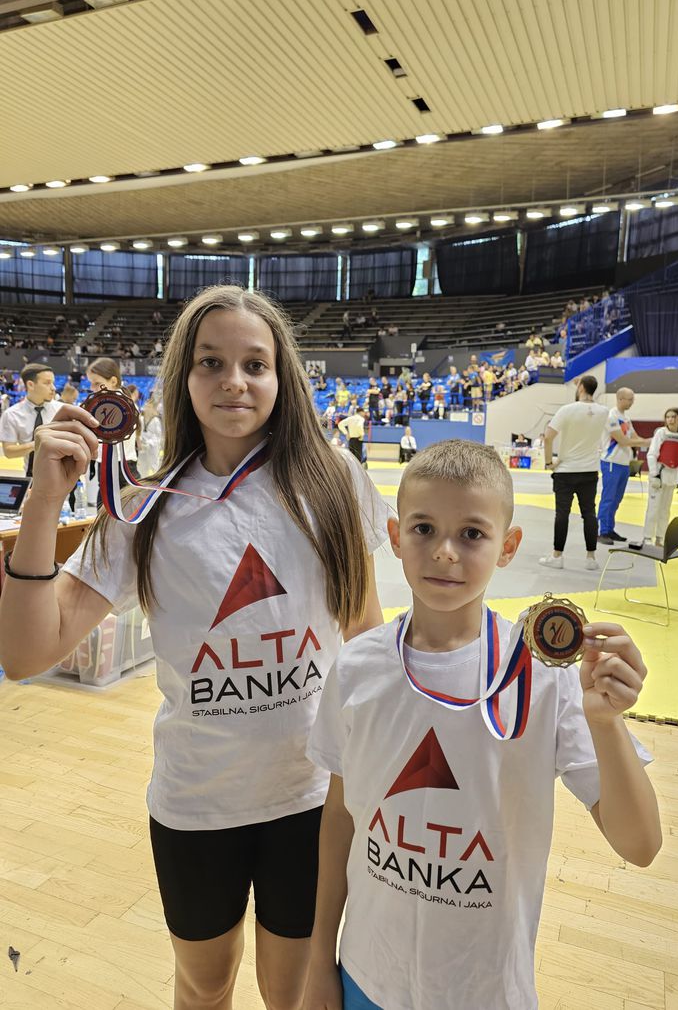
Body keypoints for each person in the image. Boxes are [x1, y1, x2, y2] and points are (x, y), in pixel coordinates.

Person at [0, 285, 389, 1010]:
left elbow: (367, 636)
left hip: (313, 799)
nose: (234, 381)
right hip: (196, 804)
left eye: (255, 363)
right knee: (204, 985)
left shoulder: (334, 481)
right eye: (211, 362)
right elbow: (25, 652)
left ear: (283, 377)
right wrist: (43, 503)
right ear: (183, 376)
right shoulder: (144, 509)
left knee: (294, 990)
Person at [303, 440, 660, 1010]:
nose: (445, 552)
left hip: (484, 988)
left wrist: (607, 724)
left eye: (472, 534)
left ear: (508, 546)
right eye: (423, 529)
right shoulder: (357, 665)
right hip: (367, 974)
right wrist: (319, 960)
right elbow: (340, 819)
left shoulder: (545, 678)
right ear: (394, 537)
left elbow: (639, 844)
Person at [539, 375, 610, 571]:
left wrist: (548, 463)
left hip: (566, 470)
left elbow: (548, 437)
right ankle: (591, 558)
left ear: (580, 388)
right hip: (589, 470)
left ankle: (557, 555)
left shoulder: (567, 410)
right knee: (589, 513)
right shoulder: (604, 412)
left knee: (562, 514)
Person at [597, 388, 645, 545]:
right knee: (608, 498)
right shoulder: (611, 416)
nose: (632, 402)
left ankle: (609, 529)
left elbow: (635, 437)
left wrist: (649, 441)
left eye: (633, 399)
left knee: (617, 499)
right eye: (630, 399)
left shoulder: (626, 418)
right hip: (611, 462)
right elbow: (623, 440)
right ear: (620, 399)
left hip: (624, 464)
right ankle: (602, 531)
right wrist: (648, 442)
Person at [0, 363, 62, 475]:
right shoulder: (11, 414)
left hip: (62, 477)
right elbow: (8, 451)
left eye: (53, 382)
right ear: (30, 385)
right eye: (47, 383)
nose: (53, 388)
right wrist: (36, 444)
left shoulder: (62, 410)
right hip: (31, 478)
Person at [86, 358, 139, 481]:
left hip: (123, 464)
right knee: (103, 498)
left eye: (97, 383)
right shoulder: (99, 404)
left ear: (113, 381)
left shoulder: (126, 405)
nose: (92, 388)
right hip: (104, 463)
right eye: (91, 383)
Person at [643, 408, 678, 546]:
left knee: (665, 509)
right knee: (653, 508)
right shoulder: (661, 433)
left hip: (672, 475)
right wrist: (654, 474)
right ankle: (647, 537)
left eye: (673, 416)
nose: (670, 419)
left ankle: (660, 537)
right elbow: (652, 454)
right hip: (659, 473)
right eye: (667, 417)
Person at [136, 399, 163, 478]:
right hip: (142, 447)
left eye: (149, 406)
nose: (146, 407)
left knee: (154, 465)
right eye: (146, 405)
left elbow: (158, 437)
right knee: (142, 465)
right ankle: (142, 482)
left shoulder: (156, 420)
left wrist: (149, 443)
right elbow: (139, 432)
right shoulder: (141, 418)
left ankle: (156, 483)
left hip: (153, 447)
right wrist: (140, 441)